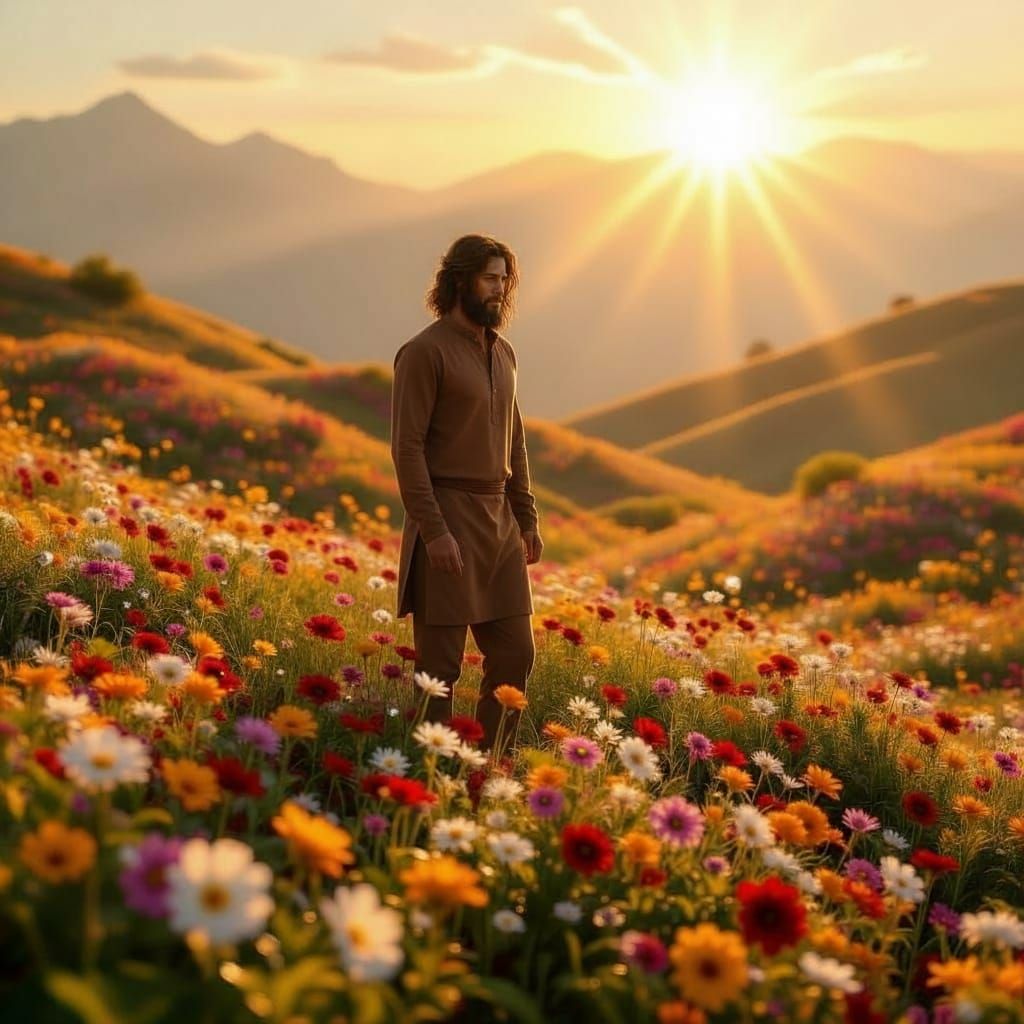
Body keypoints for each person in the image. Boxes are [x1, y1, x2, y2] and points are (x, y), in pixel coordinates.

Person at [390, 234, 543, 754]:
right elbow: (407, 450)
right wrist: (433, 531)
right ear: (459, 281)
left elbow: (514, 439)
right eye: (489, 278)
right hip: (447, 518)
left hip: (499, 524)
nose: (499, 290)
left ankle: (489, 762)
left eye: (504, 279)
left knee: (516, 654)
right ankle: (428, 768)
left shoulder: (506, 355)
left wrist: (527, 517)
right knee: (439, 670)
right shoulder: (423, 353)